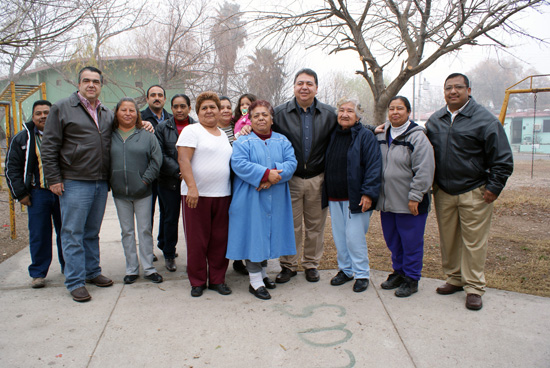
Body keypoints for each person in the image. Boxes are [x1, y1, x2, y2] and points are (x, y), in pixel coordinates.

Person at [426, 73, 513, 311]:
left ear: (469, 90)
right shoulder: (435, 120)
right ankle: (454, 278)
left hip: (475, 191)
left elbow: (503, 159)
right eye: (448, 88)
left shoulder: (485, 120)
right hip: (444, 191)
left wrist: (494, 187)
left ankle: (474, 287)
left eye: (458, 87)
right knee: (449, 239)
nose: (453, 92)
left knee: (474, 242)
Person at [41, 66, 114, 302]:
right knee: (73, 232)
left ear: (101, 85)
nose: (91, 84)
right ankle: (75, 281)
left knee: (92, 232)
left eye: (95, 81)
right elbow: (49, 146)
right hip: (74, 181)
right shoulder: (62, 108)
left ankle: (92, 272)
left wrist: (144, 124)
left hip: (100, 181)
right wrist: (53, 178)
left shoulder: (105, 112)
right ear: (79, 83)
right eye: (86, 81)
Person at [227, 100, 298, 300]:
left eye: (264, 115)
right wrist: (266, 174)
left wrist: (272, 177)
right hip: (250, 197)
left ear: (272, 118)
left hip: (275, 196)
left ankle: (264, 273)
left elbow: (291, 163)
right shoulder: (243, 141)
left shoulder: (282, 141)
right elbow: (239, 164)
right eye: (256, 115)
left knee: (268, 234)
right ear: (249, 119)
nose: (260, 118)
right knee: (254, 235)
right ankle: (255, 280)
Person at [273, 68, 337, 283]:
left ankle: (311, 264)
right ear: (294, 87)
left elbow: (350, 126)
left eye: (309, 83)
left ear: (316, 88)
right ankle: (288, 265)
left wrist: (375, 129)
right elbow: (261, 127)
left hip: (318, 179)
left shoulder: (329, 114)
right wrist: (244, 129)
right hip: (290, 179)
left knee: (315, 226)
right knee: (290, 224)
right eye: (300, 83)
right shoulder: (280, 114)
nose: (304, 87)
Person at [376, 96, 435, 297]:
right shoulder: (382, 134)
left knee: (411, 242)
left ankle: (411, 278)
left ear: (408, 112)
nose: (395, 112)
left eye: (400, 108)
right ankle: (398, 272)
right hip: (388, 201)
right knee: (393, 241)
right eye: (391, 108)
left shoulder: (417, 137)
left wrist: (416, 196)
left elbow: (425, 169)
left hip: (410, 202)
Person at [177, 92, 233, 297]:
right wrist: (192, 187)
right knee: (197, 241)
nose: (209, 111)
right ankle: (198, 281)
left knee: (220, 240)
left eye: (213, 107)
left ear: (219, 111)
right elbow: (183, 160)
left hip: (223, 195)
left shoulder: (224, 135)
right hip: (196, 195)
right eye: (204, 108)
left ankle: (218, 280)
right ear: (197, 111)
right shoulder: (192, 131)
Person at [322, 98, 381, 293]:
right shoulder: (332, 134)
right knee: (340, 237)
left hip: (356, 197)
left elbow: (374, 166)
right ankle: (346, 270)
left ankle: (362, 273)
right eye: (341, 110)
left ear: (357, 116)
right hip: (334, 195)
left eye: (350, 111)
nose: (345, 114)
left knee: (354, 237)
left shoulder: (365, 136)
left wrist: (368, 193)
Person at [5, 100, 64, 289]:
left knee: (68, 233)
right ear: (33, 116)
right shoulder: (22, 139)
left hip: (63, 193)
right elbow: (12, 168)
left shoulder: (64, 135)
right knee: (39, 234)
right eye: (39, 113)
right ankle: (38, 273)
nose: (43, 116)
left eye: (47, 112)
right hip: (38, 194)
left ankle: (70, 267)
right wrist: (20, 193)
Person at [110, 97, 163, 284]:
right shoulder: (109, 136)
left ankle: (149, 268)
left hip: (143, 192)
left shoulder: (147, 135)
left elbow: (156, 160)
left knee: (144, 230)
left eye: (131, 110)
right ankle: (131, 269)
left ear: (137, 113)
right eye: (123, 110)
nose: (127, 113)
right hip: (119, 193)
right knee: (127, 232)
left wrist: (145, 180)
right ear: (116, 112)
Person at [155, 94, 196, 272]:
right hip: (169, 181)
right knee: (170, 218)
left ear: (189, 107)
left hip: (193, 181)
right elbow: (160, 153)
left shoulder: (197, 127)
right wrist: (179, 171)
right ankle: (169, 254)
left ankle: (195, 255)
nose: (179, 110)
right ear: (171, 108)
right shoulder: (162, 127)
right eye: (176, 106)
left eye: (183, 106)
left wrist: (189, 175)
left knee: (193, 221)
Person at [140, 85, 173, 262]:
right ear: (147, 99)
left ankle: (166, 245)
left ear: (165, 99)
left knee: (167, 214)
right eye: (152, 95)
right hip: (148, 175)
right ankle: (148, 250)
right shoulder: (139, 118)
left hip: (167, 175)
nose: (157, 98)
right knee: (147, 216)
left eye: (160, 95)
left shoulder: (171, 119)